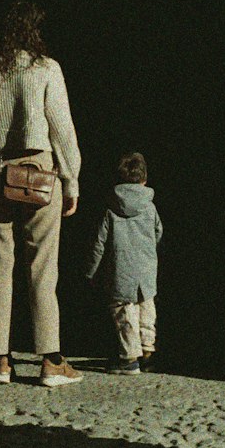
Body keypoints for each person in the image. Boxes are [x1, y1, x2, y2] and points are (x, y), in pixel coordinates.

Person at [0, 0, 83, 388]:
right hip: (41, 176)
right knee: (43, 268)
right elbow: (61, 129)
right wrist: (72, 180)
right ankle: (50, 361)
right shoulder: (48, 69)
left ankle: (1, 360)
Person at [86, 150, 162, 374]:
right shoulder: (150, 207)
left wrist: (91, 271)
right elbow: (159, 234)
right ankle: (148, 351)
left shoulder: (110, 209)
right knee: (146, 307)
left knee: (124, 313)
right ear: (144, 179)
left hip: (121, 271)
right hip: (146, 270)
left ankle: (129, 359)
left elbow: (99, 243)